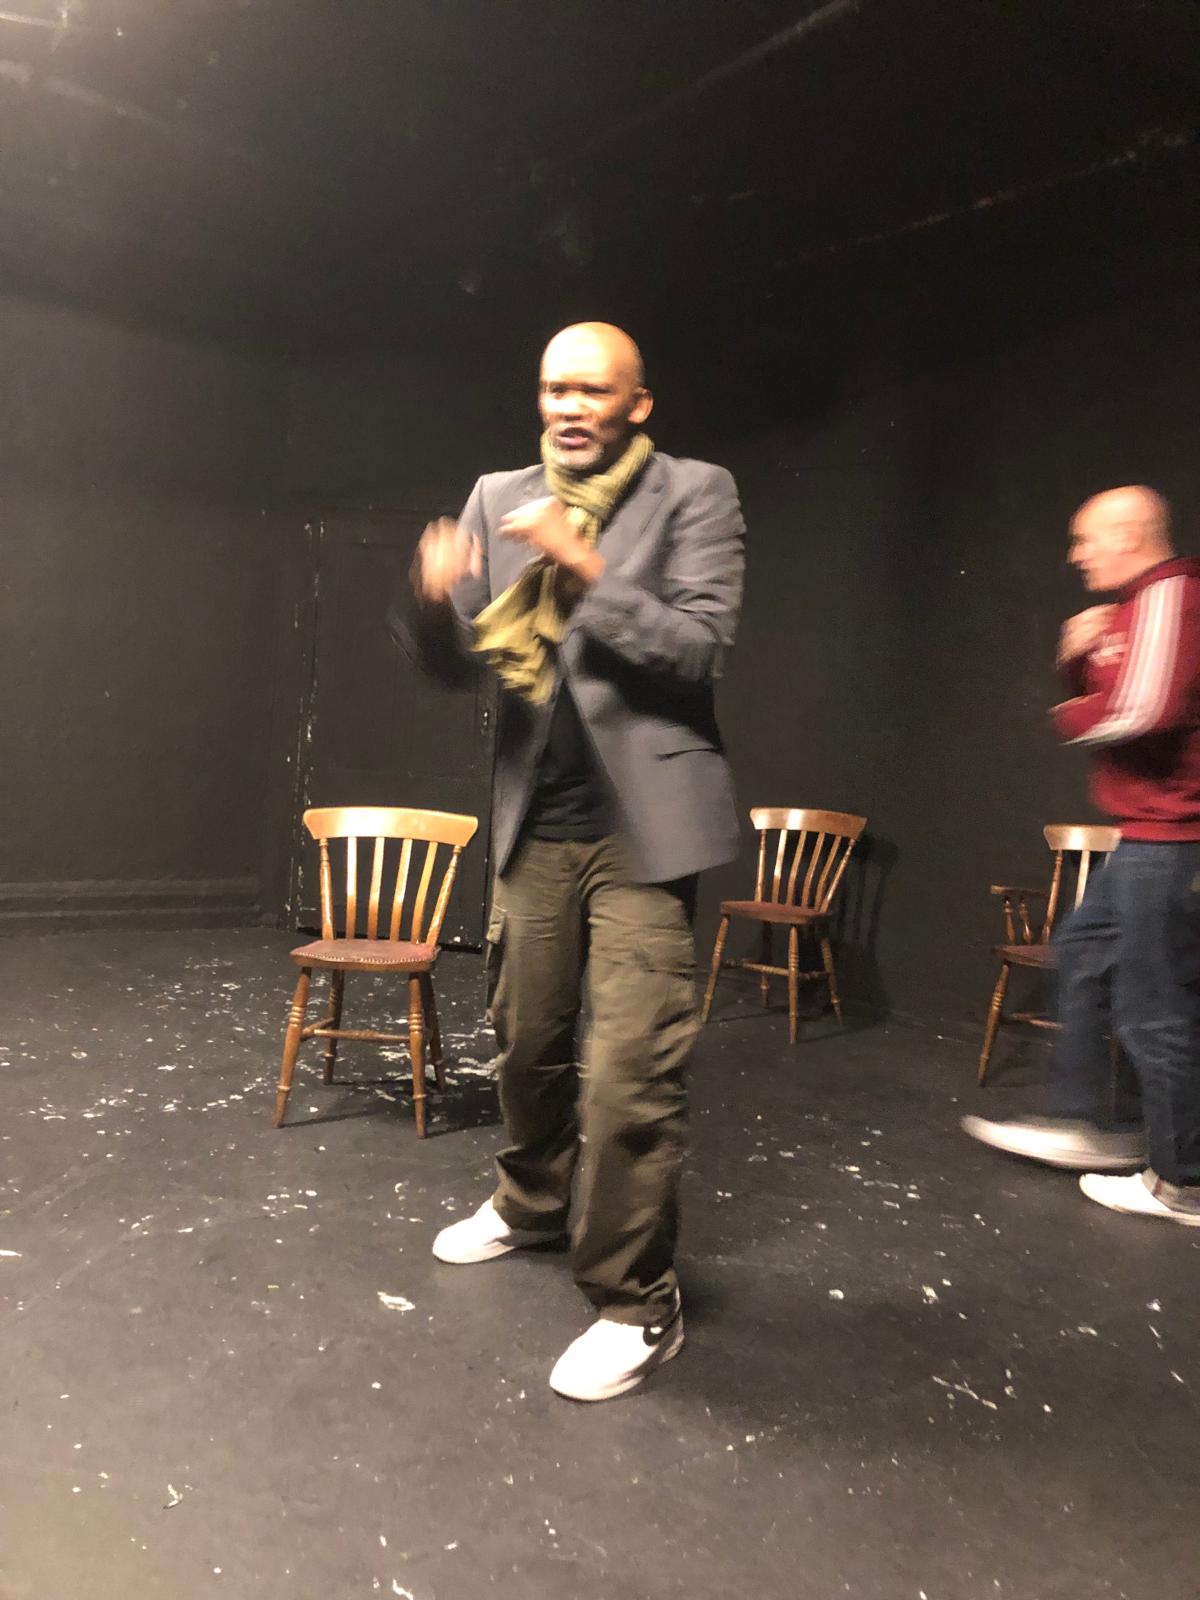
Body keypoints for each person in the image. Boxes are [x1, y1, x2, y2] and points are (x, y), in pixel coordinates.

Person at [397, 321, 746, 1397]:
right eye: (556, 388)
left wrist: (587, 567)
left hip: (645, 829)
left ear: (638, 403)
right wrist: (430, 598)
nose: (570, 407)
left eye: (594, 389)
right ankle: (532, 1201)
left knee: (630, 1075)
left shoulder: (694, 492)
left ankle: (638, 1303)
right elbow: (455, 660)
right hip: (535, 821)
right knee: (527, 1044)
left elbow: (699, 648)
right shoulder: (497, 495)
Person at [963, 485, 1200, 1226]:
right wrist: (1077, 662)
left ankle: (1183, 1183)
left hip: (1176, 838)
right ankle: (1086, 1123)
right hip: (1147, 835)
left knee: (1155, 1010)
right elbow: (1120, 690)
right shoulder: (1131, 610)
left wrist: (1068, 710)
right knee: (1084, 951)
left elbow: (1144, 709)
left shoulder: (1169, 594)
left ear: (1129, 535)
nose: (1077, 555)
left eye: (1086, 539)